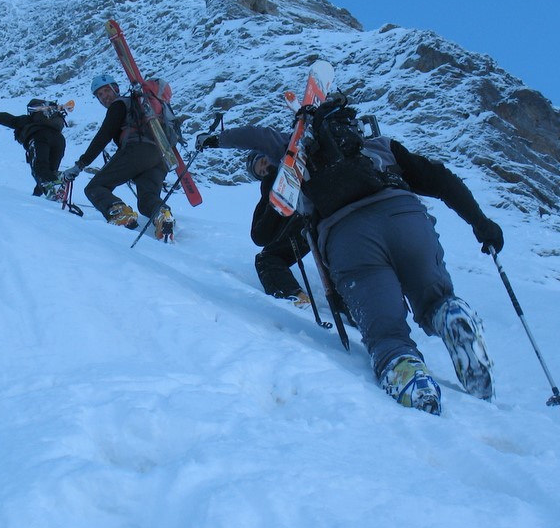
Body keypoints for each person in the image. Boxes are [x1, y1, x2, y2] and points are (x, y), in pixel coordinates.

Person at [288, 93, 504, 415]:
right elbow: (441, 180)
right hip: (406, 219)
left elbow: (284, 227)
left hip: (349, 238)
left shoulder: (302, 170)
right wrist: (481, 223)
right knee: (434, 298)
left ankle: (411, 381)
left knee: (385, 331)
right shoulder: (381, 147)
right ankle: (449, 315)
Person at [195, 126, 312, 306]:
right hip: (321, 215)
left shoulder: (283, 156)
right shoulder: (273, 183)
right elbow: (261, 233)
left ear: (266, 155)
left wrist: (217, 140)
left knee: (266, 260)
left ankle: (294, 296)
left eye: (263, 163)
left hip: (307, 218)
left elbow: (260, 235)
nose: (265, 169)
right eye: (261, 172)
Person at [60, 74, 175, 241]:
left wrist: (81, 164)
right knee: (146, 201)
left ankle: (120, 214)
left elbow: (103, 136)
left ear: (116, 89)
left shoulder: (119, 104)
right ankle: (162, 215)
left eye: (106, 90)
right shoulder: (140, 107)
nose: (104, 96)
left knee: (95, 187)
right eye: (99, 94)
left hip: (138, 150)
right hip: (160, 157)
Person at [0, 99, 70, 201]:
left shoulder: (27, 120)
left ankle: (55, 192)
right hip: (60, 140)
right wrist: (35, 196)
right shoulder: (54, 124)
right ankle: (56, 187)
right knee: (49, 172)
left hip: (40, 137)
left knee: (40, 169)